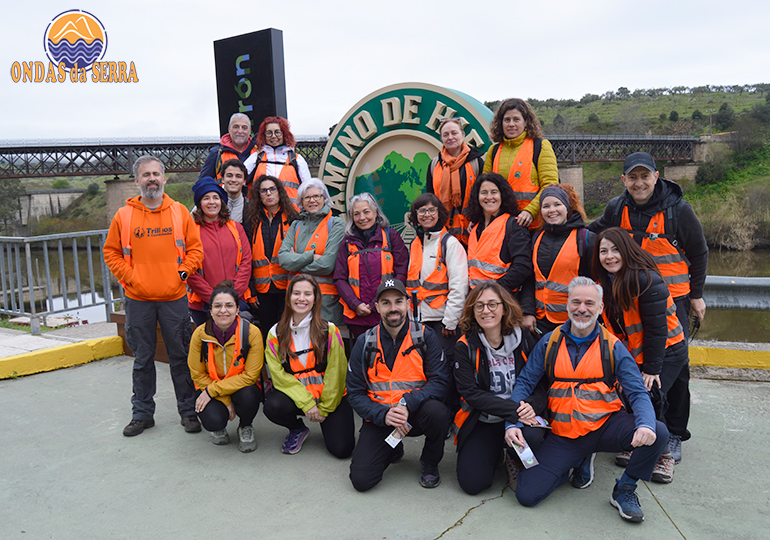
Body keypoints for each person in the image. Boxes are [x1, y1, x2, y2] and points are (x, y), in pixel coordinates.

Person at [505, 277, 669, 523]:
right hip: (564, 436)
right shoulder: (549, 342)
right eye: (576, 302)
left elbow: (637, 392)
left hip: (606, 427)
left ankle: (624, 489)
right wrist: (512, 424)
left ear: (600, 308)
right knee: (527, 495)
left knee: (659, 431)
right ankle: (571, 464)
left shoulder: (613, 347)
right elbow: (525, 383)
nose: (582, 309)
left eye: (590, 303)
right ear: (567, 305)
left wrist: (645, 424)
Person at [589, 151, 708, 464]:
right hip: (630, 295)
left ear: (657, 177)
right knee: (637, 362)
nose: (639, 183)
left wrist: (696, 295)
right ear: (624, 180)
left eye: (645, 176)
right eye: (632, 177)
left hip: (674, 297)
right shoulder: (617, 208)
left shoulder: (679, 211)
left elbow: (698, 252)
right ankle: (643, 427)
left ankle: (674, 434)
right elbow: (594, 230)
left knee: (673, 368)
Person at [104, 154, 204, 437]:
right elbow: (111, 253)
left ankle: (188, 412)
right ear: (137, 181)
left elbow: (196, 250)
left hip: (174, 297)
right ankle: (142, 414)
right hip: (138, 299)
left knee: (181, 357)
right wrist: (131, 277)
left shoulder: (179, 212)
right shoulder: (123, 215)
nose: (151, 179)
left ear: (164, 178)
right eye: (146, 175)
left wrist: (182, 273)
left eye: (156, 174)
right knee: (143, 358)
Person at [593, 227, 688, 484]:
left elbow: (657, 330)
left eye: (615, 250)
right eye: (603, 251)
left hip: (666, 351)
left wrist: (651, 370)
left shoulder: (646, 280)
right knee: (631, 395)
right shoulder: (607, 282)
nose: (609, 256)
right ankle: (641, 440)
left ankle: (664, 455)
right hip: (638, 353)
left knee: (653, 396)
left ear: (627, 251)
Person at [347, 279, 451, 491]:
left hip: (415, 414)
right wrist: (382, 415)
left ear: (408, 304)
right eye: (386, 303)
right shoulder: (365, 342)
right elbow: (355, 393)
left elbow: (441, 381)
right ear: (377, 307)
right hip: (381, 417)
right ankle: (392, 449)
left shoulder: (424, 336)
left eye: (398, 301)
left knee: (439, 413)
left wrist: (407, 402)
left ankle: (430, 463)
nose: (393, 308)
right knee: (361, 481)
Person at [452, 281, 546, 495]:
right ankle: (495, 453)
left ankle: (514, 458)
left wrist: (531, 406)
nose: (486, 310)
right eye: (479, 306)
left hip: (520, 419)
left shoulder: (526, 338)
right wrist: (514, 411)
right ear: (472, 311)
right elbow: (470, 394)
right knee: (473, 484)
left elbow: (541, 383)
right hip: (484, 420)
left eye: (493, 304)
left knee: (531, 440)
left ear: (504, 307)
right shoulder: (465, 346)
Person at [263, 275, 355, 457]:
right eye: (296, 293)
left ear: (315, 299)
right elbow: (278, 376)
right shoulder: (276, 333)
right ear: (288, 298)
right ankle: (297, 428)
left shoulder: (329, 330)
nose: (301, 298)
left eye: (307, 294)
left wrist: (325, 408)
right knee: (272, 406)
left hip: (329, 398)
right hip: (299, 397)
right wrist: (306, 404)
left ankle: (327, 421)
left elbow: (337, 372)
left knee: (342, 450)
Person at [188, 281, 263, 452]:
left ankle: (245, 426)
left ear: (237, 309)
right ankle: (219, 426)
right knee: (213, 421)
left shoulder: (252, 333)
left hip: (239, 387)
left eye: (229, 305)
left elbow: (250, 376)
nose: (223, 310)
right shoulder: (199, 334)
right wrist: (225, 401)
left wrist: (212, 392)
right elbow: (197, 374)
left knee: (250, 395)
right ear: (210, 309)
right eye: (218, 306)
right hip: (210, 385)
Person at [465, 172, 535, 331]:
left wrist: (492, 292)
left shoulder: (514, 225)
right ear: (477, 197)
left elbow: (523, 267)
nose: (489, 197)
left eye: (494, 192)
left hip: (504, 305)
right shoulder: (475, 229)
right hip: (477, 307)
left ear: (502, 195)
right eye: (484, 193)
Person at [334, 193, 408, 341]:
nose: (362, 218)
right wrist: (355, 304)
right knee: (363, 358)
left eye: (366, 212)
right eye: (356, 214)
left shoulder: (391, 237)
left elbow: (401, 273)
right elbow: (339, 278)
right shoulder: (347, 242)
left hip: (388, 313)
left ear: (376, 212)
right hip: (357, 316)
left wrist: (377, 304)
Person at [405, 192, 468, 362]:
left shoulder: (450, 243)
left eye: (432, 210)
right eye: (422, 211)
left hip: (442, 324)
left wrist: (450, 322)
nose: (427, 215)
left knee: (443, 368)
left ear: (439, 213)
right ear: (415, 215)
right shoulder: (414, 244)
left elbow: (459, 286)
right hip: (417, 321)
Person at [483, 98, 559, 230]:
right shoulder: (493, 151)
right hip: (501, 226)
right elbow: (484, 189)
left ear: (526, 122)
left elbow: (550, 187)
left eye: (516, 119)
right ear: (500, 123)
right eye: (507, 120)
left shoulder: (540, 146)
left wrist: (530, 211)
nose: (511, 124)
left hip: (533, 226)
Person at [186, 177, 252, 329]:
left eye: (215, 197)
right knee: (207, 346)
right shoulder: (191, 231)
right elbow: (190, 270)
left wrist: (232, 297)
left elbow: (246, 261)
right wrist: (213, 298)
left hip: (235, 300)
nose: (211, 202)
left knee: (237, 346)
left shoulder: (236, 228)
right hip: (202, 303)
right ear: (199, 204)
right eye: (206, 198)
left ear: (221, 202)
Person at [531, 184, 596, 335]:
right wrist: (528, 312)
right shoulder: (536, 238)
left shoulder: (586, 238)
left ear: (567, 207)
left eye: (557, 204)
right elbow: (530, 279)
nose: (552, 210)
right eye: (546, 206)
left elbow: (597, 282)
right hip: (540, 323)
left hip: (575, 322)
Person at [278, 179, 344, 325]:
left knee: (325, 345)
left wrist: (295, 263)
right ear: (302, 201)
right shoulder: (295, 225)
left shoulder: (335, 224)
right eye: (307, 197)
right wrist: (311, 256)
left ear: (324, 198)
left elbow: (327, 264)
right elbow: (282, 259)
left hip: (324, 302)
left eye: (316, 196)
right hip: (296, 302)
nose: (312, 200)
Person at [243, 174, 299, 341]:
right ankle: (269, 367)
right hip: (261, 292)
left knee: (288, 335)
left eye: (272, 189)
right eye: (263, 190)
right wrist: (250, 291)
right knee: (267, 335)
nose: (268, 193)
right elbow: (246, 260)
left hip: (287, 288)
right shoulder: (251, 220)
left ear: (279, 192)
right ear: (258, 195)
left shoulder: (293, 218)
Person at [425, 118, 484, 246]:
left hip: (472, 232)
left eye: (454, 133)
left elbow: (484, 197)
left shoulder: (477, 162)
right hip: (443, 233)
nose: (450, 137)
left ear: (463, 135)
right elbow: (429, 198)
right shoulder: (434, 165)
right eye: (445, 135)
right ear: (441, 138)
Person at [244, 116, 311, 206]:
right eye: (269, 133)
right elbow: (237, 179)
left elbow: (309, 189)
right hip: (261, 215)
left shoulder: (297, 160)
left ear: (284, 134)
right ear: (264, 135)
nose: (273, 136)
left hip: (292, 215)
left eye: (277, 132)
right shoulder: (256, 158)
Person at [199, 113, 258, 180]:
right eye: (236, 127)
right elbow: (202, 182)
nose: (240, 131)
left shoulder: (259, 152)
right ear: (229, 129)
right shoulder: (217, 153)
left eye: (244, 128)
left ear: (250, 131)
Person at [220, 159, 249, 224]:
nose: (233, 180)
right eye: (229, 176)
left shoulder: (251, 208)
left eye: (238, 176)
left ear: (244, 181)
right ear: (222, 179)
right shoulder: (210, 204)